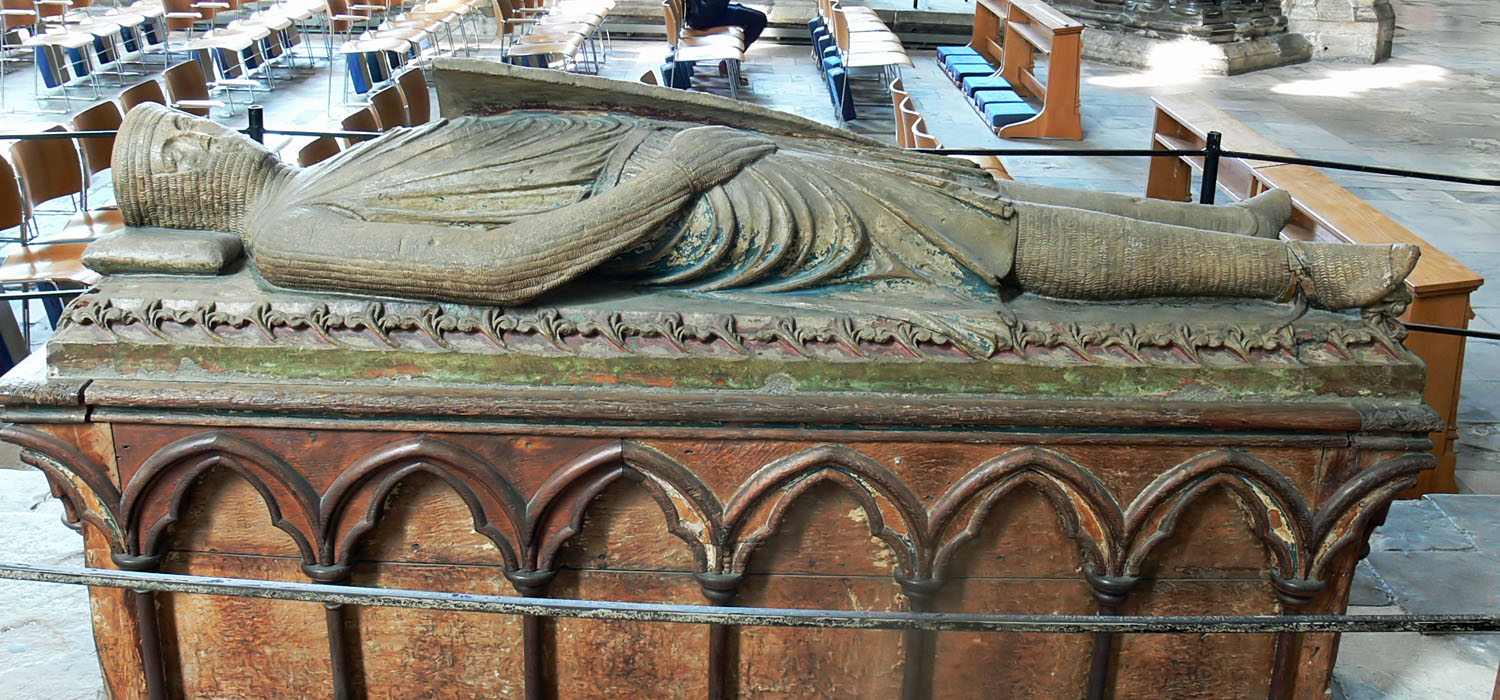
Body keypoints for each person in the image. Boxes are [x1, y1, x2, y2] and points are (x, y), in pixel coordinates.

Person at [107, 103, 1416, 313]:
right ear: (175, 188)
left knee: (937, 182)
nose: (195, 125)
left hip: (665, 164)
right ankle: (1293, 281)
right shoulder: (293, 233)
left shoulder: (325, 166)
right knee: (973, 237)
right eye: (171, 140)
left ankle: (1227, 231)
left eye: (178, 115)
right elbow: (502, 272)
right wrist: (677, 174)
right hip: (676, 215)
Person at [685, 0, 767, 49]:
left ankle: (733, 57)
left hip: (702, 13)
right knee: (759, 19)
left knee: (757, 18)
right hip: (705, 17)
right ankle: (733, 59)